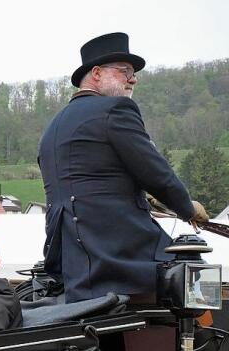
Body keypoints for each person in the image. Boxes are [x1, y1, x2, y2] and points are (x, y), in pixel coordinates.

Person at [39, 32, 209, 303]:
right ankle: (190, 343)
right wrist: (186, 208)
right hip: (118, 252)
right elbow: (156, 173)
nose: (133, 78)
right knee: (194, 266)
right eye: (124, 71)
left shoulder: (52, 128)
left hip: (70, 260)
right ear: (96, 73)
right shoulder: (116, 109)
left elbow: (95, 179)